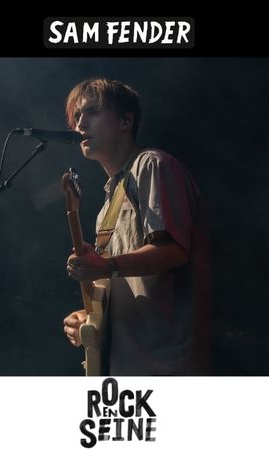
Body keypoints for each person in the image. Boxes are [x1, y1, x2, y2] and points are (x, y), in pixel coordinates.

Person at [63, 77, 212, 376]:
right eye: (77, 116)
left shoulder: (152, 165)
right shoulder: (108, 203)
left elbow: (173, 251)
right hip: (124, 369)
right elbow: (118, 283)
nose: (80, 124)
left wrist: (105, 265)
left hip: (167, 366)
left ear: (125, 120)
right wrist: (90, 321)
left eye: (91, 112)